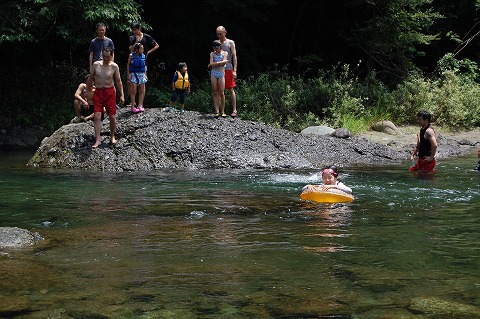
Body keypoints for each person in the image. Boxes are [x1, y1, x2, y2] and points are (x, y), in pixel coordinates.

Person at [87, 47, 124, 148]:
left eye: (108, 57)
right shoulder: (96, 65)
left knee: (112, 116)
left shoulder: (114, 66)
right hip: (98, 92)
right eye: (104, 56)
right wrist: (87, 91)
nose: (106, 58)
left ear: (111, 56)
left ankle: (112, 136)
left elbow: (119, 81)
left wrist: (122, 94)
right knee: (97, 116)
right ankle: (97, 139)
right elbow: (90, 78)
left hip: (109, 92)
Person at [128, 22, 159, 108]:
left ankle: (140, 104)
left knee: (142, 83)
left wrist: (148, 52)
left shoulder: (146, 37)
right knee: (132, 84)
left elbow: (156, 45)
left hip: (143, 62)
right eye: (133, 30)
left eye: (135, 30)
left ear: (139, 28)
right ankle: (133, 103)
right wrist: (136, 42)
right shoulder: (132, 38)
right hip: (134, 62)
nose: (134, 32)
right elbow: (130, 49)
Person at [216, 26, 238, 117]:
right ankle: (220, 111)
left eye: (221, 34)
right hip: (218, 69)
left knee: (230, 89)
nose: (219, 36)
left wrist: (235, 70)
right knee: (218, 90)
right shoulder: (216, 43)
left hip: (228, 68)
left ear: (225, 32)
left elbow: (234, 56)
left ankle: (234, 110)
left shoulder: (230, 42)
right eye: (217, 34)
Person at [208, 40, 228, 118]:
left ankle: (222, 111)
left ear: (220, 46)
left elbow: (213, 64)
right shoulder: (212, 53)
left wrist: (213, 64)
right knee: (214, 91)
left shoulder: (225, 53)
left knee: (222, 92)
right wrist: (221, 62)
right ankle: (216, 111)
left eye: (218, 47)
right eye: (215, 47)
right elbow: (212, 64)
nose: (216, 49)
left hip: (221, 73)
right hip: (214, 73)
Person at [127, 43, 147, 113]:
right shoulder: (131, 55)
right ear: (137, 49)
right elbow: (128, 65)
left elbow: (145, 66)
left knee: (142, 90)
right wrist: (128, 74)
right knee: (133, 90)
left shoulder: (143, 56)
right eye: (141, 49)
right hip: (134, 74)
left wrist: (145, 74)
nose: (142, 50)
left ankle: (140, 105)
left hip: (141, 74)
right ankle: (133, 106)